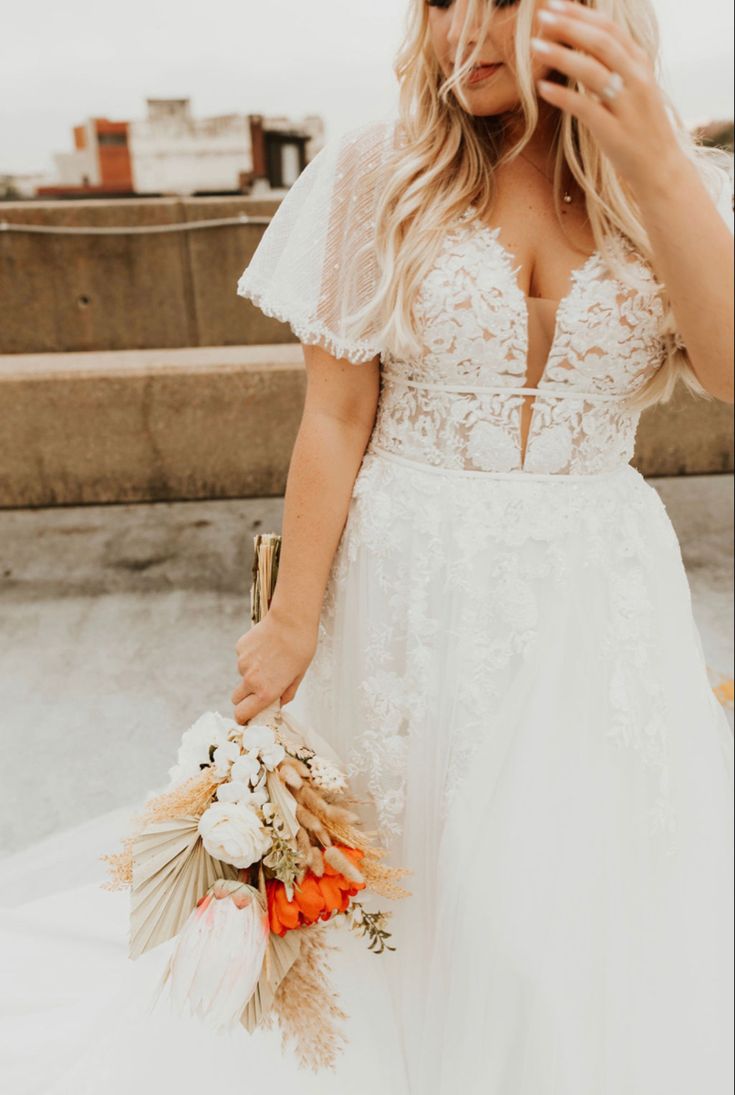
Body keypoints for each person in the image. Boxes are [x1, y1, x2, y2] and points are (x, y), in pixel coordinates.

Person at [1, 2, 732, 1093]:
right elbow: (335, 418)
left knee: (573, 887)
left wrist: (659, 166)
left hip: (597, 596)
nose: (461, 36)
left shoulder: (678, 185)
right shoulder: (377, 173)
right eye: (440, 4)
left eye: (496, 3)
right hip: (410, 590)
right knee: (417, 891)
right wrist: (291, 618)